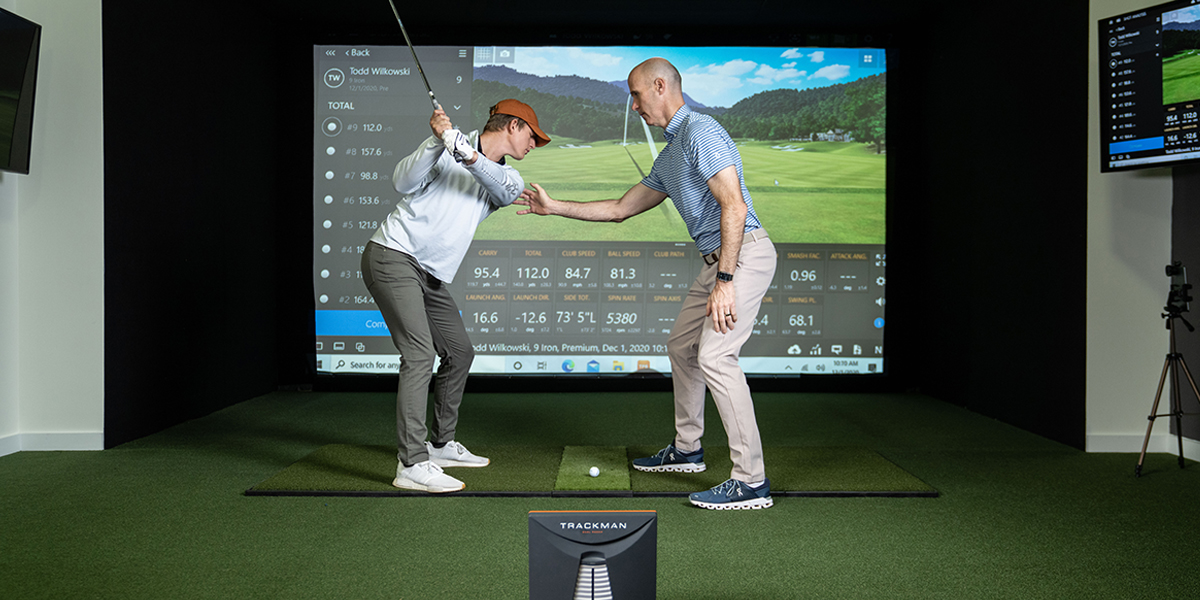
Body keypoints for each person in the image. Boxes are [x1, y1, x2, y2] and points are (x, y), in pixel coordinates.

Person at [515, 58, 776, 510]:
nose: (634, 106)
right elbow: (620, 208)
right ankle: (688, 450)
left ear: (660, 86)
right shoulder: (672, 154)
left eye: (636, 94)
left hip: (743, 254)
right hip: (719, 260)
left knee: (716, 355)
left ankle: (751, 480)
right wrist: (555, 207)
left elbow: (733, 206)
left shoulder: (701, 132)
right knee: (682, 346)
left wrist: (727, 281)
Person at [363, 99, 550, 493]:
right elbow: (401, 182)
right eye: (533, 135)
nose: (535, 144)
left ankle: (441, 444)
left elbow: (497, 188)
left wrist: (463, 151)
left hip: (429, 274)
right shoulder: (444, 146)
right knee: (418, 353)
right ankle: (412, 463)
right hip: (393, 255)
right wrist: (438, 141)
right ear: (514, 126)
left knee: (459, 352)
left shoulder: (511, 178)